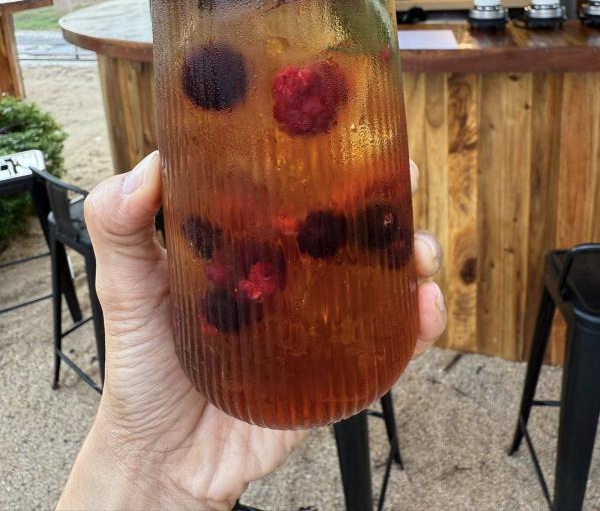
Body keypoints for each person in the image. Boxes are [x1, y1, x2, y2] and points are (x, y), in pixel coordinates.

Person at [57, 152, 446, 511]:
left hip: (354, 351)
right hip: (220, 379)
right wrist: (148, 462)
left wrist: (149, 470)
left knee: (379, 198)